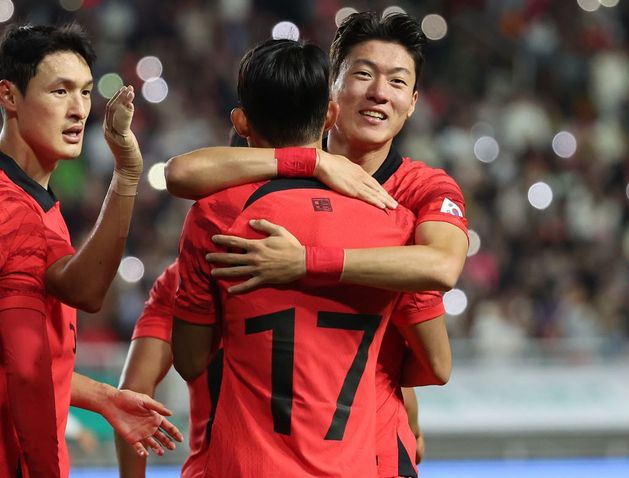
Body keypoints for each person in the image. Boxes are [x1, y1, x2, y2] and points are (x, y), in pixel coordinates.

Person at [165, 11, 466, 477]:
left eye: (397, 82)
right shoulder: (395, 223)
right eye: (363, 74)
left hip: (335, 444)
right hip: (347, 451)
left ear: (412, 103)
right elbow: (437, 364)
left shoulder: (422, 190)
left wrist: (306, 262)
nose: (379, 92)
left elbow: (443, 265)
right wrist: (312, 162)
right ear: (331, 94)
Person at [0, 23, 182, 477]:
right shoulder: (11, 209)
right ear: (9, 96)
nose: (79, 109)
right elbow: (25, 369)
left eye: (84, 92)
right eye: (60, 91)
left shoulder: (32, 202)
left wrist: (104, 398)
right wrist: (128, 174)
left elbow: (36, 344)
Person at [116, 260, 219, 478]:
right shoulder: (288, 265)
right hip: (290, 463)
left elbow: (133, 393)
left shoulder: (183, 274)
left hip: (209, 470)